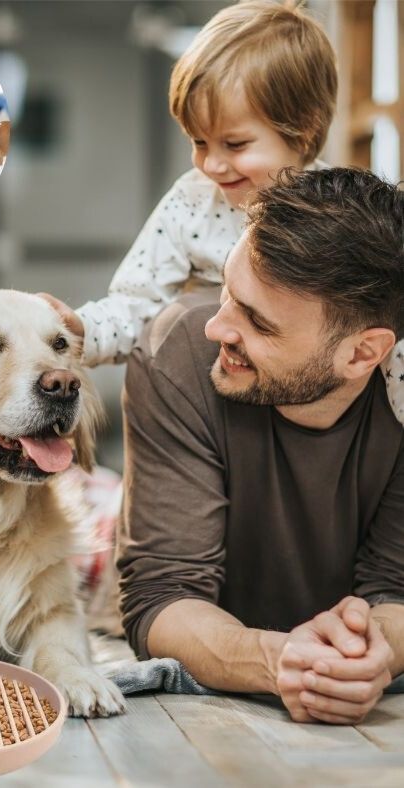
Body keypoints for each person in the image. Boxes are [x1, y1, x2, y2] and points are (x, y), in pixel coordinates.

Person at [118, 167, 403, 724]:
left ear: (363, 355)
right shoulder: (176, 356)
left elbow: (394, 589)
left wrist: (376, 652)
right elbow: (161, 596)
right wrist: (282, 661)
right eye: (227, 293)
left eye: (257, 322)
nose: (216, 329)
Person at [41, 0, 403, 424]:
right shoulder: (193, 201)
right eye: (199, 142)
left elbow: (382, 323)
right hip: (220, 409)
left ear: (302, 130)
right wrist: (81, 330)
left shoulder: (335, 213)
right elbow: (136, 302)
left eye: (234, 145)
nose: (211, 165)